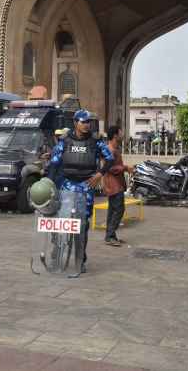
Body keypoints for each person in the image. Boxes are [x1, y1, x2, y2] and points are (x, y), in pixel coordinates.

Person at [47, 109, 114, 273]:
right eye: (83, 122)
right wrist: (50, 184)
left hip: (86, 186)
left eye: (88, 122)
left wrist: (100, 174)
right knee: (61, 221)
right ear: (75, 123)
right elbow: (54, 163)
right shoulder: (64, 141)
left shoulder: (95, 141)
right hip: (67, 185)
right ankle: (56, 253)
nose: (86, 125)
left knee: (82, 225)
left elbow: (110, 159)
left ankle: (80, 260)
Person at [103, 125, 131, 247]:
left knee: (113, 210)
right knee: (119, 210)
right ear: (115, 135)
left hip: (116, 184)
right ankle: (110, 235)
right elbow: (109, 168)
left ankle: (111, 236)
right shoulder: (109, 150)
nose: (122, 134)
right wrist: (126, 168)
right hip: (113, 184)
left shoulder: (115, 149)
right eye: (120, 132)